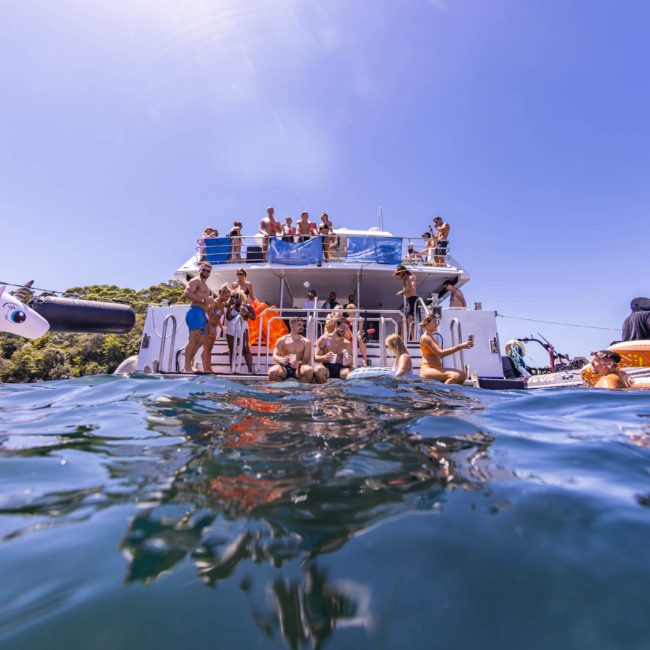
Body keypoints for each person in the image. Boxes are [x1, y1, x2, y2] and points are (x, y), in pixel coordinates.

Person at [419, 312, 473, 384]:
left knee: (463, 375)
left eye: (437, 322)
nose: (436, 324)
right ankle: (444, 394)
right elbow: (440, 353)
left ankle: (449, 392)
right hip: (428, 369)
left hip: (436, 369)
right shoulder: (426, 338)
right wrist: (460, 346)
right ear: (427, 324)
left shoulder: (430, 337)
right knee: (456, 376)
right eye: (434, 322)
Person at [183, 262, 212, 373]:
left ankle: (189, 364)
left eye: (208, 271)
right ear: (200, 269)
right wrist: (204, 300)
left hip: (201, 314)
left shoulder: (205, 285)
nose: (206, 272)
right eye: (204, 270)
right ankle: (187, 367)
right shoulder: (196, 281)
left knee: (200, 341)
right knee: (193, 339)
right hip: (194, 311)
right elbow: (187, 293)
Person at [268, 317, 314, 383]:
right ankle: (281, 391)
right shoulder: (282, 340)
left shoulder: (306, 342)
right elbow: (275, 356)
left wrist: (298, 364)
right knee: (272, 372)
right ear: (291, 326)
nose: (302, 327)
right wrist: (281, 359)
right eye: (299, 325)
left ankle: (300, 390)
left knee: (309, 371)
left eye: (302, 325)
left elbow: (305, 360)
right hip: (285, 367)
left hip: (299, 368)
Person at [202, 283, 230, 373]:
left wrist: (221, 328)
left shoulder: (222, 304)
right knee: (207, 348)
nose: (227, 298)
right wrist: (210, 328)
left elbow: (217, 318)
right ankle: (206, 368)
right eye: (226, 296)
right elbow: (208, 315)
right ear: (221, 293)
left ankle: (208, 368)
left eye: (228, 296)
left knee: (210, 348)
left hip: (214, 328)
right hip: (208, 327)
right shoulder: (214, 302)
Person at [225, 289, 256, 373]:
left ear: (241, 297)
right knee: (232, 350)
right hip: (231, 329)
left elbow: (253, 317)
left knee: (245, 349)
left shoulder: (248, 306)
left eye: (236, 297)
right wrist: (228, 307)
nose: (234, 298)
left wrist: (246, 312)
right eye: (232, 297)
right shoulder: (231, 307)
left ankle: (250, 371)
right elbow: (228, 318)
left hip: (243, 328)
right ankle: (232, 370)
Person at [394, 265, 418, 340]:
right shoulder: (405, 279)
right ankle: (402, 339)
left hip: (412, 299)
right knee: (404, 319)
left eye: (398, 274)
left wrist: (402, 292)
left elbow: (412, 288)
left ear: (403, 272)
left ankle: (414, 339)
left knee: (410, 319)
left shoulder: (411, 277)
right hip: (408, 300)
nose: (398, 276)